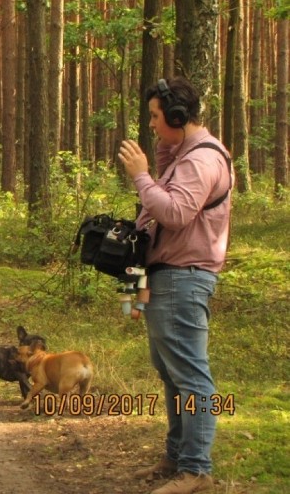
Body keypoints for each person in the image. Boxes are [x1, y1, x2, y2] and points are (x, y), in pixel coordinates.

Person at [118, 77, 232, 494]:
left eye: (155, 115)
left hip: (184, 278)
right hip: (166, 278)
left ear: (177, 117)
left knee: (192, 377)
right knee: (170, 373)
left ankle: (197, 470)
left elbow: (176, 213)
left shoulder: (202, 161)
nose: (151, 124)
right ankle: (176, 458)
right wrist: (164, 155)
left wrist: (142, 176)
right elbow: (173, 185)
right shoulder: (187, 155)